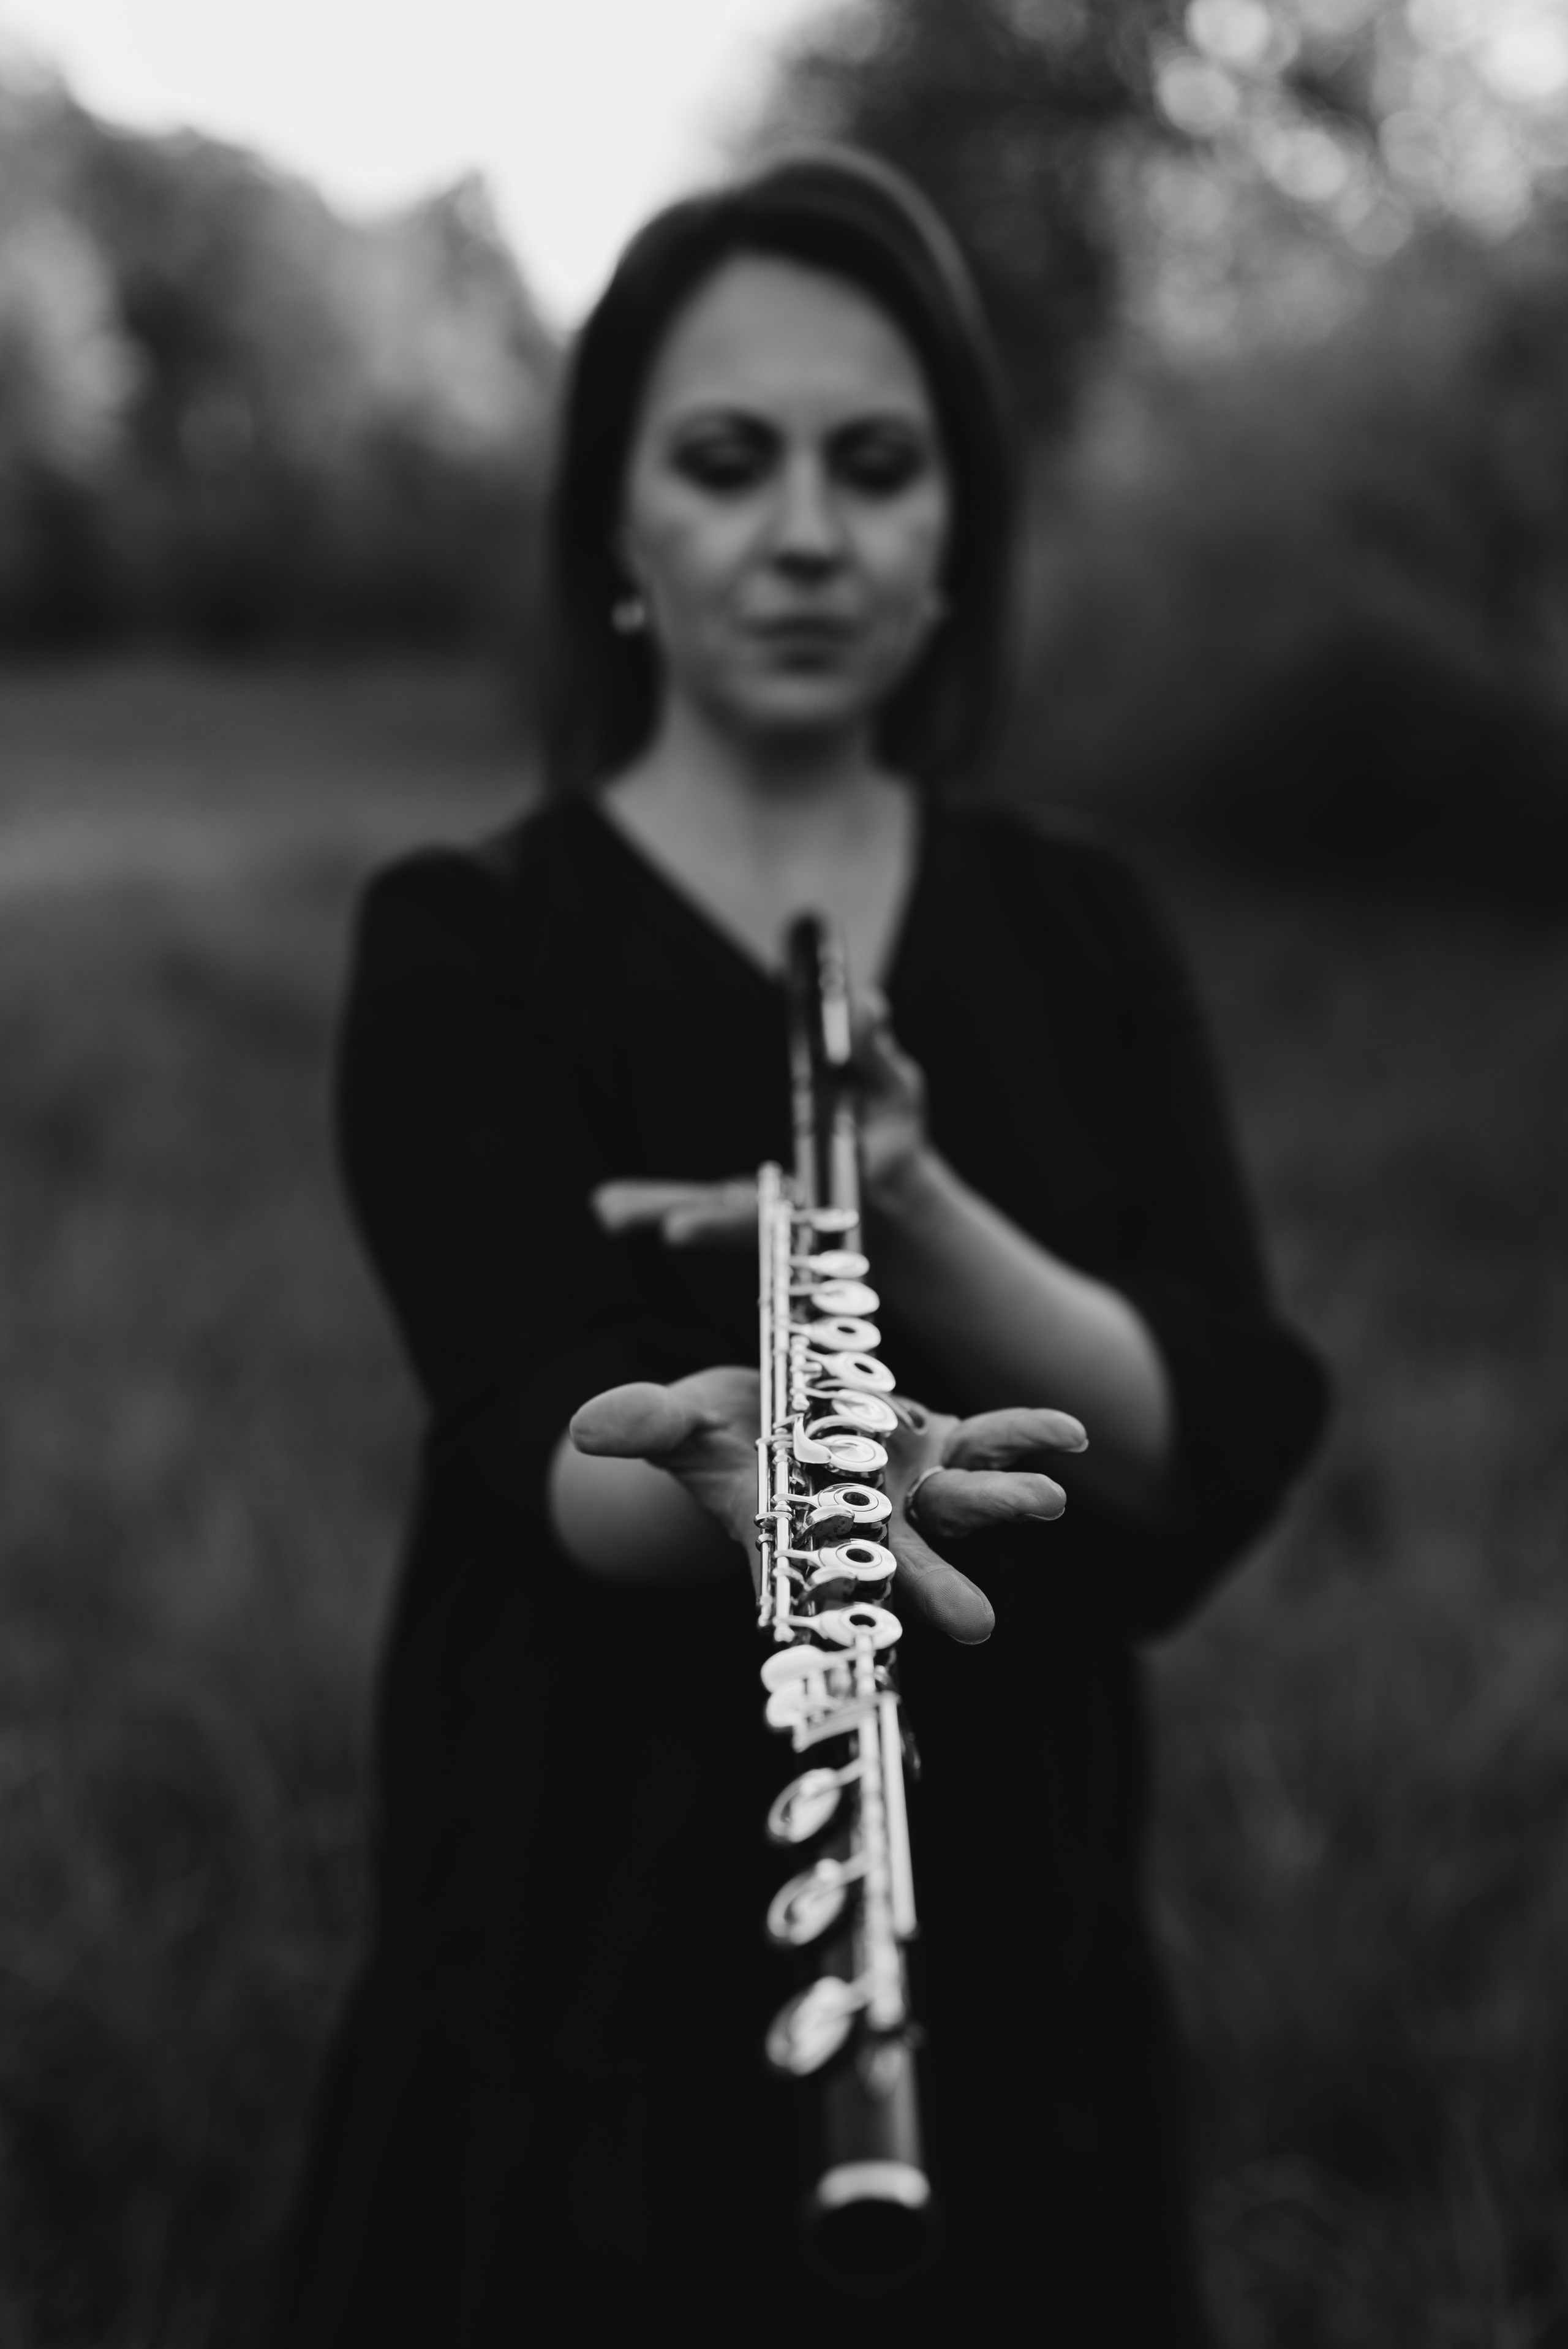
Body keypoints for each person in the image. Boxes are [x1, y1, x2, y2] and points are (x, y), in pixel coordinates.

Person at [273, 149, 1328, 2347]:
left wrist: (921, 1214)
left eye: (879, 464)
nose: (810, 531)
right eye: (728, 461)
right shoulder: (470, 938)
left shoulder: (1079, 918)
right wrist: (729, 1471)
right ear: (620, 533)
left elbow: (1208, 1435)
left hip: (1009, 1944)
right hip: (562, 1936)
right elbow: (518, 1427)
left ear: (957, 534)